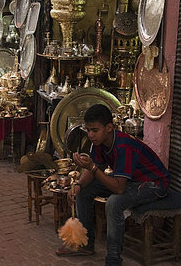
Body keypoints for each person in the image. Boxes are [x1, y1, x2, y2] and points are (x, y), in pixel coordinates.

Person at [56, 104, 170, 265]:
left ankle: (113, 260)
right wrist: (79, 185)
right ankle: (86, 245)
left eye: (95, 130)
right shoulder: (98, 143)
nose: (90, 135)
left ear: (109, 127)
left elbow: (118, 188)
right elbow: (96, 166)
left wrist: (92, 168)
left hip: (153, 185)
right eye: (88, 130)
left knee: (113, 203)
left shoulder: (124, 146)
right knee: (83, 192)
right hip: (130, 181)